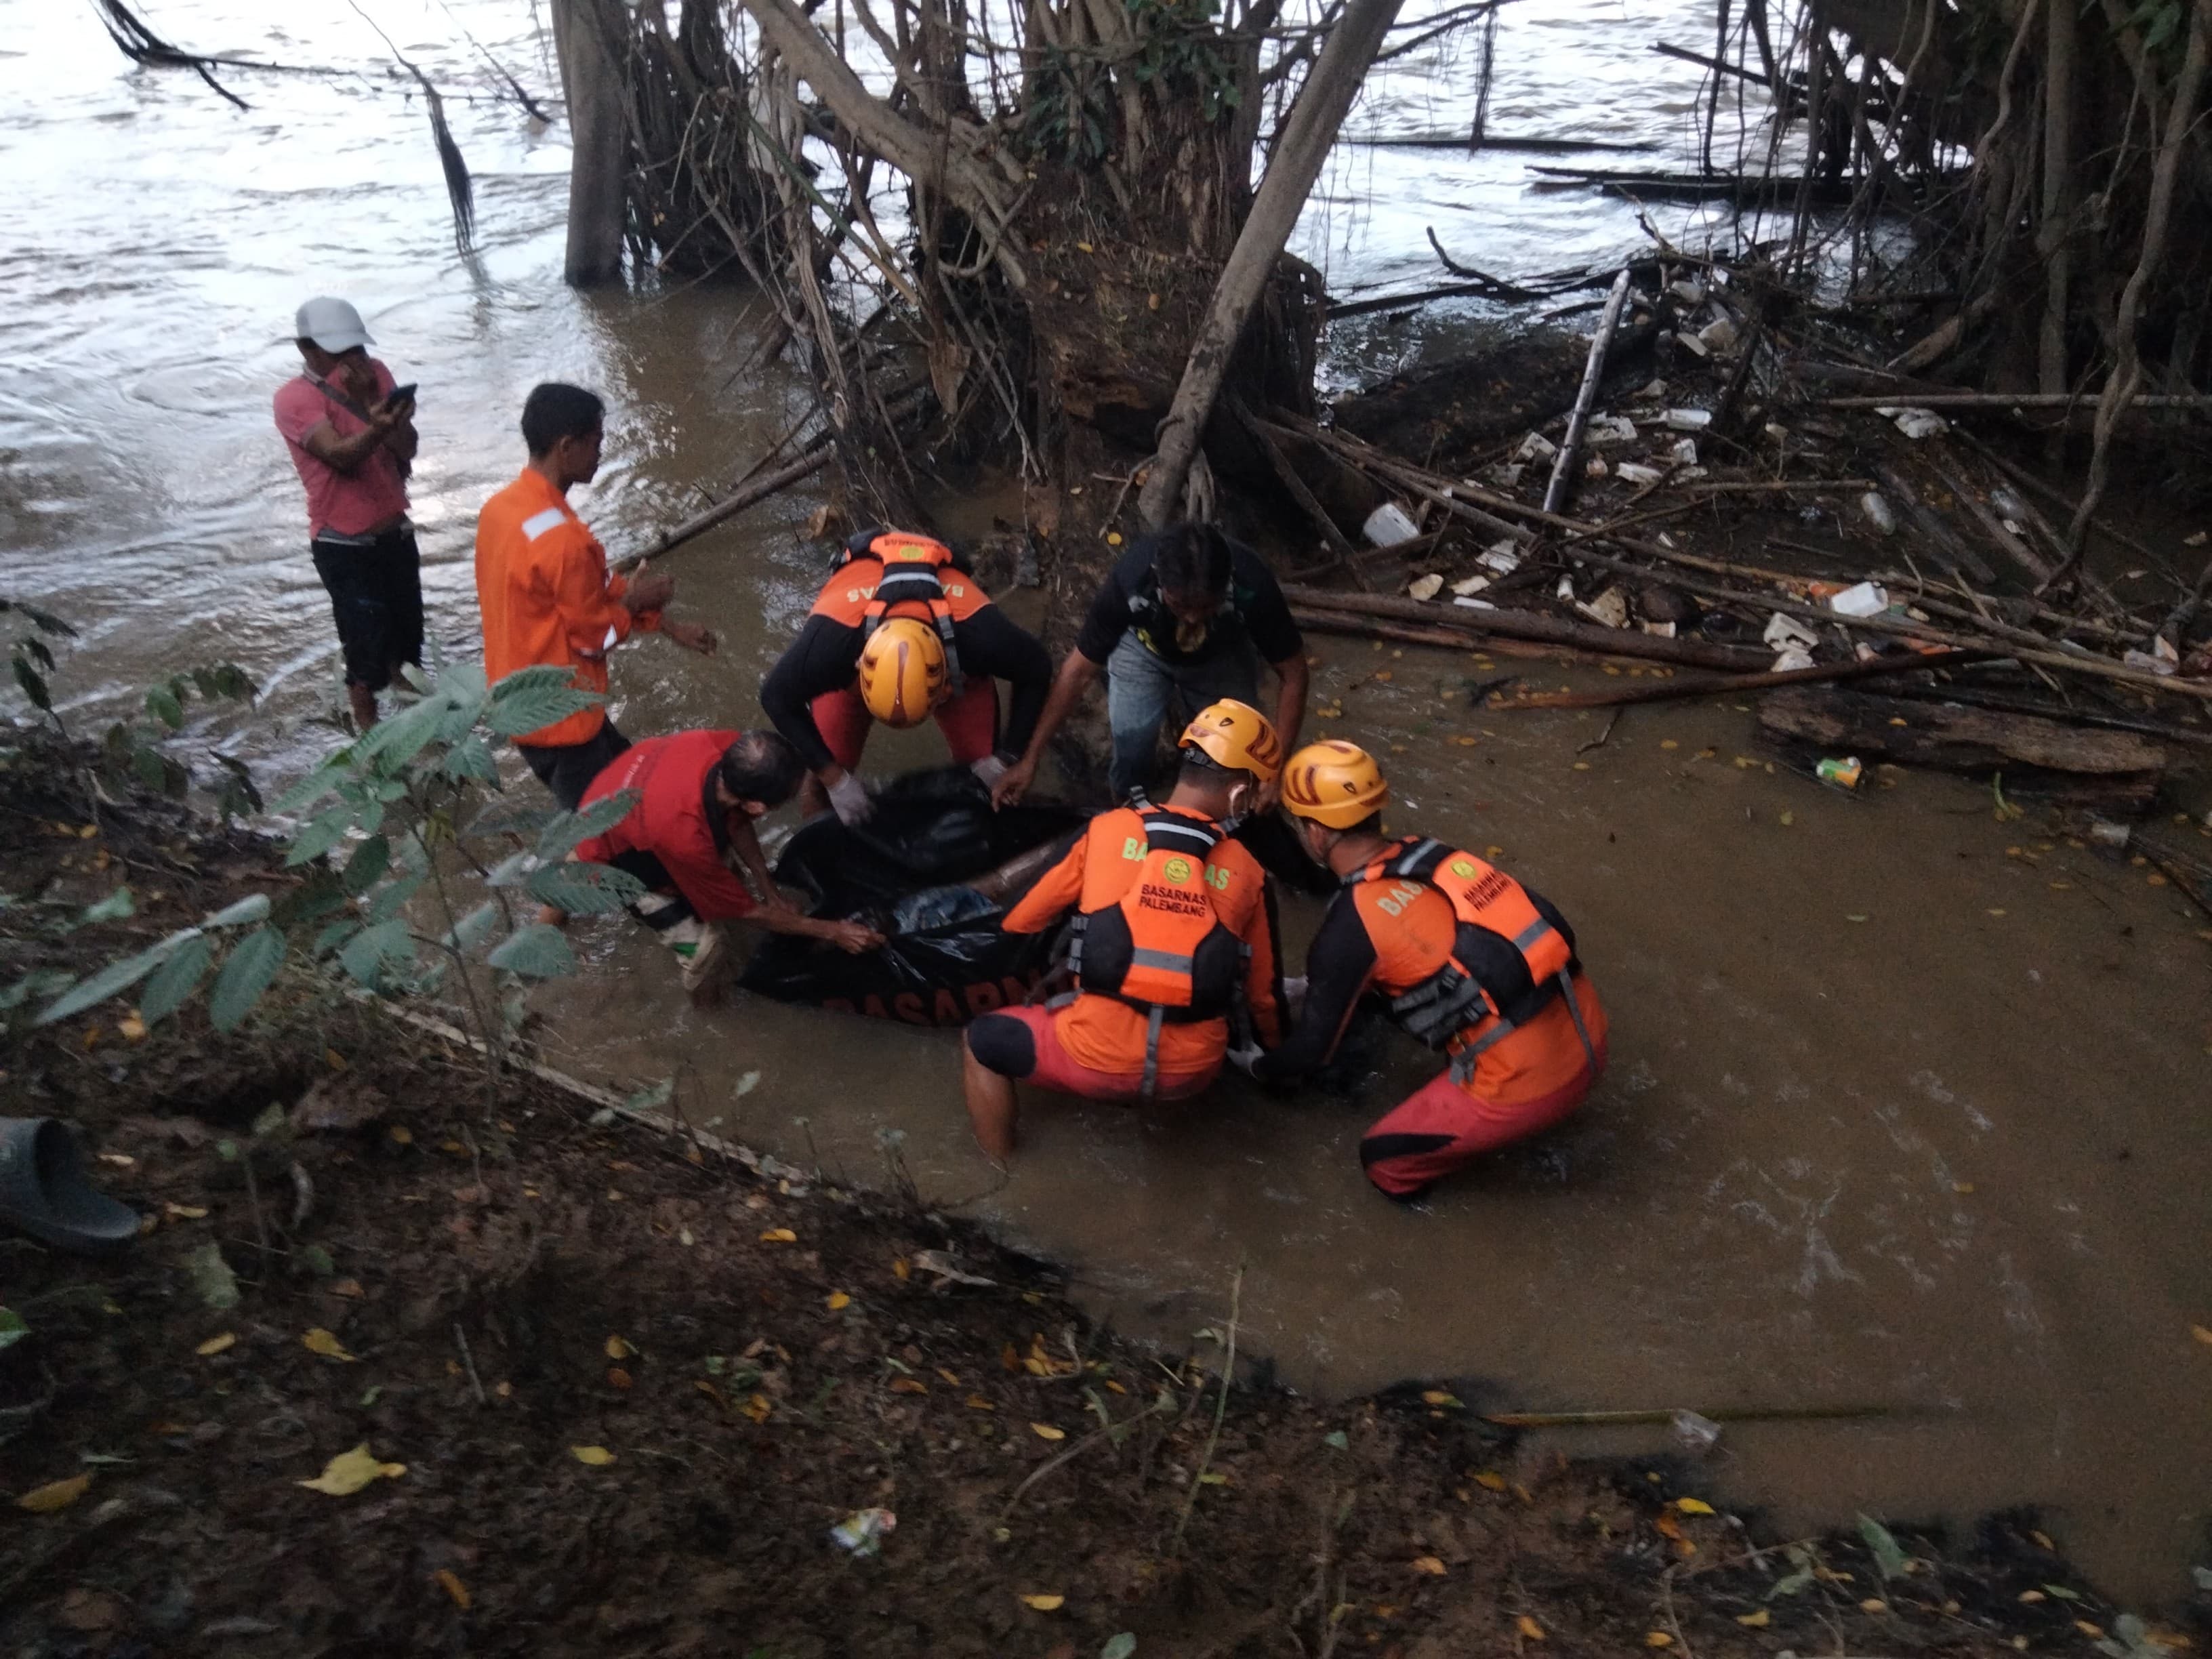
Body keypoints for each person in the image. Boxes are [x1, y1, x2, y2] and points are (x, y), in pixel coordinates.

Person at [1254, 740, 1607, 1202]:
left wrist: (1256, 1066)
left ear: (1316, 834)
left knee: (1383, 1159)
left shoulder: (1350, 928)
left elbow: (1310, 1054)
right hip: (1590, 1033)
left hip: (1531, 1084)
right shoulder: (1432, 856)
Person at [960, 699, 1286, 1162]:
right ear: (1239, 794)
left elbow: (1021, 920)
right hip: (1191, 1073)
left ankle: (1000, 1169)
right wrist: (1275, 1064)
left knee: (979, 1042)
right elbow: (1264, 999)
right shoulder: (1252, 872)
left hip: (1091, 1058)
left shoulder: (1107, 831)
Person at [474, 382, 715, 808]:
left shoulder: (502, 510)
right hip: (563, 720)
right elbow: (593, 638)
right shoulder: (564, 540)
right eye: (596, 441)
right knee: (601, 835)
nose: (601, 452)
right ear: (567, 447)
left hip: (521, 698)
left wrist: (666, 624)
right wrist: (636, 603)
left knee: (634, 788)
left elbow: (591, 590)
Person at [990, 521, 1308, 810]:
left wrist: (1276, 769)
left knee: (1237, 752)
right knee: (1132, 738)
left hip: (1221, 657)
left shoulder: (1252, 583)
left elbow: (1293, 674)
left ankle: (1221, 819)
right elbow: (1077, 672)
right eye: (1181, 604)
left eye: (1206, 606)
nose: (1192, 618)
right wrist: (1030, 759)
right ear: (1159, 579)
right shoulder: (1131, 579)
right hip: (1143, 649)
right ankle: (1128, 809)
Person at [760, 527, 1052, 827]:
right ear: (859, 668)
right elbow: (774, 697)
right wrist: (836, 780)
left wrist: (1008, 757)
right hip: (852, 644)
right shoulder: (831, 648)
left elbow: (1038, 669)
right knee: (822, 779)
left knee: (987, 778)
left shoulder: (978, 638)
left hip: (956, 663)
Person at [572, 727, 884, 1003]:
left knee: (730, 882)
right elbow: (744, 912)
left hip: (631, 809)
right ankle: (709, 1009)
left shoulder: (730, 751)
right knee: (708, 950)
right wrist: (835, 932)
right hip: (617, 864)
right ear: (757, 806)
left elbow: (737, 823)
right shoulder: (685, 836)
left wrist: (768, 888)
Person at [274, 297, 422, 731]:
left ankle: (422, 737)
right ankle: (370, 743)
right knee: (365, 656)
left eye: (354, 350)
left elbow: (408, 448)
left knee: (409, 651)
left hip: (395, 533)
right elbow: (339, 457)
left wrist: (377, 402)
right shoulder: (294, 399)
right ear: (307, 350)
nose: (351, 360)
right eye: (338, 353)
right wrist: (376, 422)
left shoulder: (377, 377)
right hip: (344, 546)